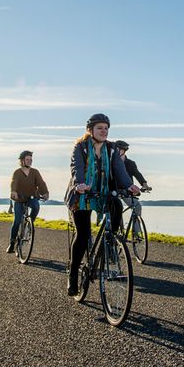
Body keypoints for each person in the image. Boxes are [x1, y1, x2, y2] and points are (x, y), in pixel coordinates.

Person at [64, 113, 140, 295]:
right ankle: (73, 275)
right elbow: (77, 167)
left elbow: (119, 170)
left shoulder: (111, 149)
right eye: (100, 128)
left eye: (106, 128)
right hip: (82, 194)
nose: (103, 131)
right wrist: (79, 183)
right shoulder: (80, 147)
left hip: (102, 192)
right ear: (90, 130)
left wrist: (129, 185)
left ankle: (110, 242)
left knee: (117, 205)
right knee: (82, 235)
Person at [6, 150, 49, 254]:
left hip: (31, 197)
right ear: (22, 161)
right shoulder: (17, 172)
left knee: (36, 206)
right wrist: (14, 191)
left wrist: (45, 193)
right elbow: (14, 183)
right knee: (17, 220)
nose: (29, 161)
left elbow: (41, 183)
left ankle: (30, 223)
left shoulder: (35, 172)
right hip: (19, 199)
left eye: (31, 159)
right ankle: (12, 243)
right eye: (27, 159)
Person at [113, 140, 150, 234]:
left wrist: (145, 185)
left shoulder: (130, 163)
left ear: (124, 151)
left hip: (127, 190)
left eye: (118, 150)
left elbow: (138, 174)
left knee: (137, 205)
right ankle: (116, 231)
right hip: (114, 190)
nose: (116, 152)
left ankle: (136, 232)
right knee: (116, 208)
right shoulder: (111, 162)